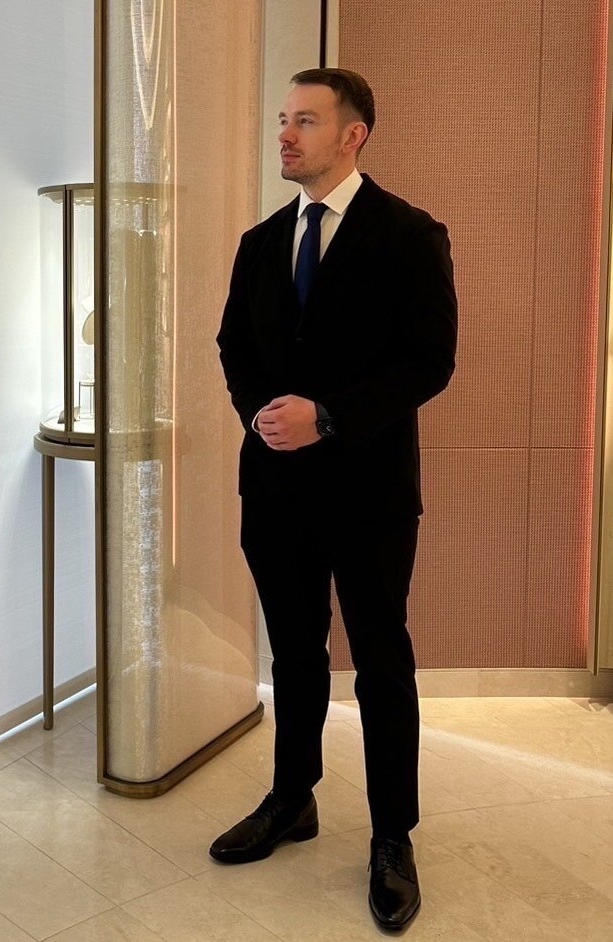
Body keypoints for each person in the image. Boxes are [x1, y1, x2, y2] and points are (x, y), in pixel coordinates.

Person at [212, 68, 457, 932]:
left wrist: (328, 417)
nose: (285, 134)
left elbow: (430, 360)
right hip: (275, 489)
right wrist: (260, 414)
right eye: (283, 118)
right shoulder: (260, 242)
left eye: (306, 121)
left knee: (382, 662)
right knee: (293, 655)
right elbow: (234, 346)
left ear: (354, 134)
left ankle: (393, 836)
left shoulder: (410, 235)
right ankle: (293, 798)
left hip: (369, 492)